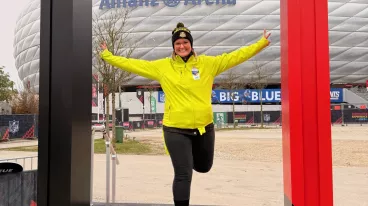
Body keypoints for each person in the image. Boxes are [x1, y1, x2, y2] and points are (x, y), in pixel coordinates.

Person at [99, 22, 271, 206]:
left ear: (191, 44)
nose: (181, 46)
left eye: (185, 42)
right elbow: (133, 64)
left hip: (204, 127)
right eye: (177, 43)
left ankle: (189, 158)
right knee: (183, 174)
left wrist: (260, 43)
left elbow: (235, 57)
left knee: (204, 167)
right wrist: (107, 56)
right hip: (175, 129)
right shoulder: (163, 67)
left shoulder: (208, 64)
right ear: (173, 47)